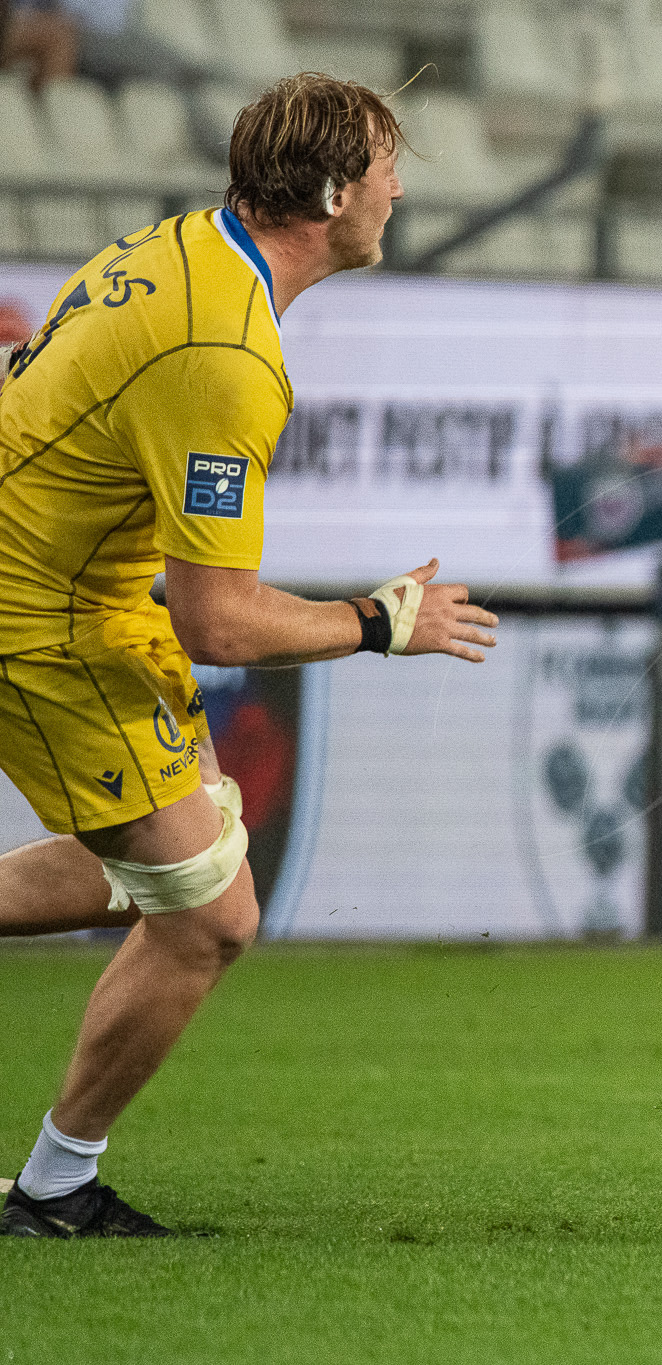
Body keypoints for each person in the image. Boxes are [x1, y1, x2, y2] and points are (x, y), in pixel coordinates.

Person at [0, 73, 499, 1238]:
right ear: (331, 191)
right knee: (211, 915)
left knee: (193, 850)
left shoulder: (184, 249)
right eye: (385, 165)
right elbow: (218, 623)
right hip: (46, 614)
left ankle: (57, 1188)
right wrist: (381, 622)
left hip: (77, 584)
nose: (398, 188)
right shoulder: (226, 354)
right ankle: (56, 1192)